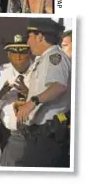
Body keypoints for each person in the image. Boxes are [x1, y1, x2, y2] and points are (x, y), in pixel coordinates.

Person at [15, 18, 71, 168]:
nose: (27, 43)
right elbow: (48, 89)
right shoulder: (44, 59)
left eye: (30, 37)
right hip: (40, 133)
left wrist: (32, 102)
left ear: (40, 37)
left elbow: (59, 86)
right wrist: (28, 93)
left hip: (49, 134)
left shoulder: (55, 58)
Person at [0, 34, 32, 166]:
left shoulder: (38, 70)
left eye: (22, 52)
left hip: (33, 133)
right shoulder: (2, 72)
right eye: (13, 53)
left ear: (30, 52)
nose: (18, 57)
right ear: (8, 55)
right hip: (8, 134)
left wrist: (28, 93)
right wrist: (1, 94)